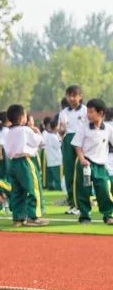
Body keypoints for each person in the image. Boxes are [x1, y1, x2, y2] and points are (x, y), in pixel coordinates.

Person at [4, 104, 50, 227]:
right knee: (33, 188)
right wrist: (38, 133)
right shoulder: (25, 130)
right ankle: (34, 216)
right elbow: (37, 141)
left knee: (17, 191)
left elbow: (7, 150)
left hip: (13, 163)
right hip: (25, 162)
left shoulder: (8, 132)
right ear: (21, 118)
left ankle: (18, 218)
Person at [70, 98, 113, 225]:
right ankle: (84, 216)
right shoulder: (83, 128)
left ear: (101, 113)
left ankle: (108, 215)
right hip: (85, 164)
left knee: (104, 189)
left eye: (91, 112)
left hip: (100, 166)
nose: (88, 115)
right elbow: (77, 145)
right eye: (87, 112)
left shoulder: (108, 129)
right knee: (83, 190)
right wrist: (82, 159)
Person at [58, 86, 87, 215]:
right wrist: (62, 129)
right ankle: (72, 204)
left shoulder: (86, 111)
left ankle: (83, 204)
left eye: (74, 95)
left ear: (80, 96)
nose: (71, 98)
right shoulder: (63, 112)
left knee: (82, 173)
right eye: (68, 95)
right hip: (68, 141)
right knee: (69, 174)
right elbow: (61, 132)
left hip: (81, 141)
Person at [42, 118, 63, 192]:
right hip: (56, 160)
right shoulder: (54, 137)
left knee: (51, 177)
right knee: (58, 178)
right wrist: (62, 139)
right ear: (56, 127)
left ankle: (50, 188)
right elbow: (59, 146)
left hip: (50, 160)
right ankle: (59, 189)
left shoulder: (48, 135)